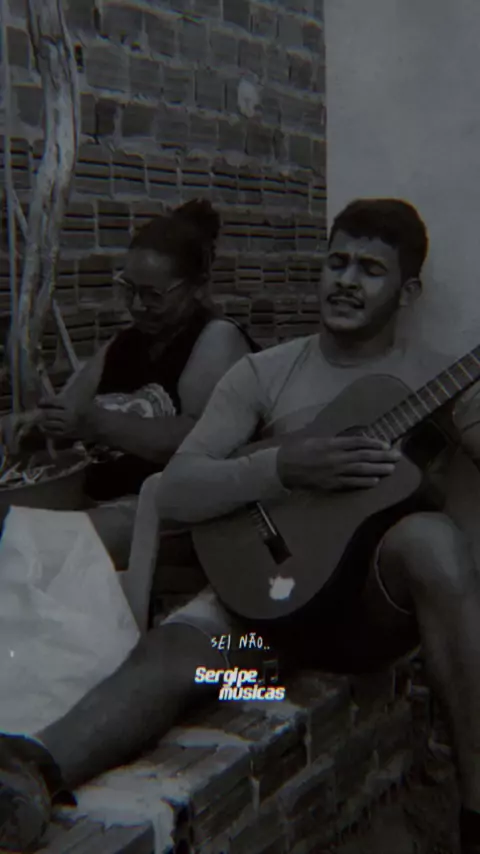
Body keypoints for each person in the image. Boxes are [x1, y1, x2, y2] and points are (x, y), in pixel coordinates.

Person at [2, 198, 480, 854]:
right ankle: (30, 774)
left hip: (363, 631)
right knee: (174, 657)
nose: (345, 281)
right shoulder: (264, 371)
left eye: (370, 270)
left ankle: (475, 811)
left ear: (409, 291)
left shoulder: (442, 380)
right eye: (336, 262)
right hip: (265, 636)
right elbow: (179, 488)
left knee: (433, 541)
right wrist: (284, 466)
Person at [0, 198, 257, 567]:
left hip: (169, 512)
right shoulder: (124, 344)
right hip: (99, 497)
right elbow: (70, 411)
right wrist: (36, 424)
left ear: (197, 287)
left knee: (36, 545)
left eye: (153, 295)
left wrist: (97, 423)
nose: (137, 305)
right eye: (129, 289)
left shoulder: (216, 339)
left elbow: (197, 442)